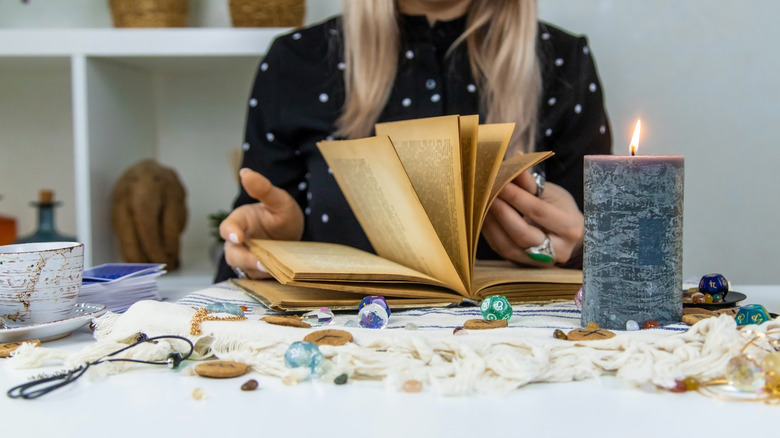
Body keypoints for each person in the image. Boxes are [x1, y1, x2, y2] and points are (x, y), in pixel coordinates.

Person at [215, 0, 612, 283]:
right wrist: (271, 249)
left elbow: (617, 266)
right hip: (341, 356)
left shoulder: (564, 60)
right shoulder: (296, 61)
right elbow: (241, 253)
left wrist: (577, 246)